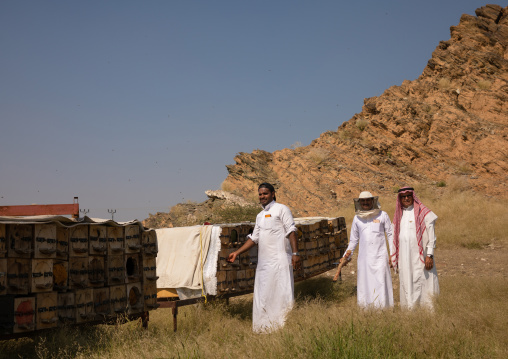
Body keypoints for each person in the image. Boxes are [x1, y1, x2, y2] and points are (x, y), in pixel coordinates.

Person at [227, 183, 301, 333]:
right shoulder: (259, 216)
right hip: (264, 265)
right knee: (263, 296)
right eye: (260, 194)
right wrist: (237, 252)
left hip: (280, 262)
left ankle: (282, 328)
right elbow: (254, 238)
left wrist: (295, 253)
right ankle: (263, 329)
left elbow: (291, 231)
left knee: (281, 295)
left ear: (273, 194)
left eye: (265, 194)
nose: (262, 197)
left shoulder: (281, 209)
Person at [341, 191, 394, 309]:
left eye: (367, 200)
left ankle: (382, 310)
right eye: (363, 201)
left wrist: (393, 254)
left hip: (380, 257)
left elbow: (390, 235)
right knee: (366, 284)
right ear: (359, 203)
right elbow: (353, 241)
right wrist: (346, 256)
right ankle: (367, 311)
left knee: (380, 282)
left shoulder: (382, 215)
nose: (365, 203)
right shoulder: (357, 219)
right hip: (364, 260)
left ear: (372, 201)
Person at [390, 187, 439, 310]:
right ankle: (410, 311)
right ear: (400, 198)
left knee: (425, 282)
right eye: (403, 196)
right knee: (407, 281)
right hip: (405, 258)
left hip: (421, 258)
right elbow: (394, 238)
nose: (406, 198)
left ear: (413, 196)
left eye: (408, 196)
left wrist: (430, 255)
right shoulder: (399, 215)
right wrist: (392, 256)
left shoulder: (424, 213)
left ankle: (428, 311)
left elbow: (432, 237)